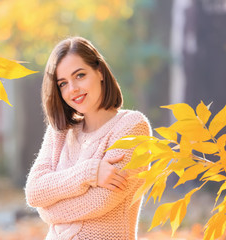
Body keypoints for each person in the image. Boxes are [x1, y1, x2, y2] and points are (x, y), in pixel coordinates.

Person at [25, 36, 152, 240]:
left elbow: (102, 200)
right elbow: (34, 193)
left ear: (100, 72)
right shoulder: (60, 131)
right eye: (63, 83)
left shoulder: (132, 127)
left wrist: (49, 208)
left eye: (80, 75)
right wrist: (90, 172)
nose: (72, 89)